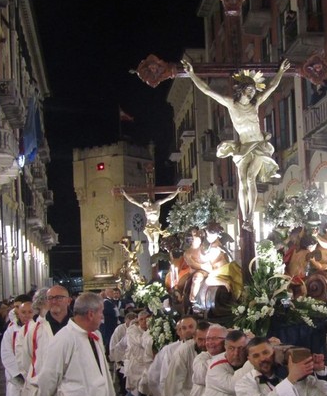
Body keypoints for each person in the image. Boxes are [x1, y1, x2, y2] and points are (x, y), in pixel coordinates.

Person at [182, 58, 289, 230]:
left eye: (253, 90)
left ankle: (249, 217)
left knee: (250, 177)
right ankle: (244, 217)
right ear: (242, 90)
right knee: (242, 181)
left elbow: (271, 88)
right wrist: (191, 74)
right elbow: (207, 90)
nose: (252, 93)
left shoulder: (256, 104)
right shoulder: (231, 104)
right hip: (244, 147)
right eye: (249, 90)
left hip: (259, 145)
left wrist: (281, 72)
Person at [120, 186, 185, 255]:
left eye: (146, 203)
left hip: (156, 226)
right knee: (150, 241)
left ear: (148, 201)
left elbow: (168, 198)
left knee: (156, 242)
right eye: (144, 204)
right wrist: (125, 194)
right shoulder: (145, 207)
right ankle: (152, 256)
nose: (145, 205)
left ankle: (156, 255)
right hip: (149, 226)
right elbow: (133, 201)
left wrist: (177, 192)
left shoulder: (157, 204)